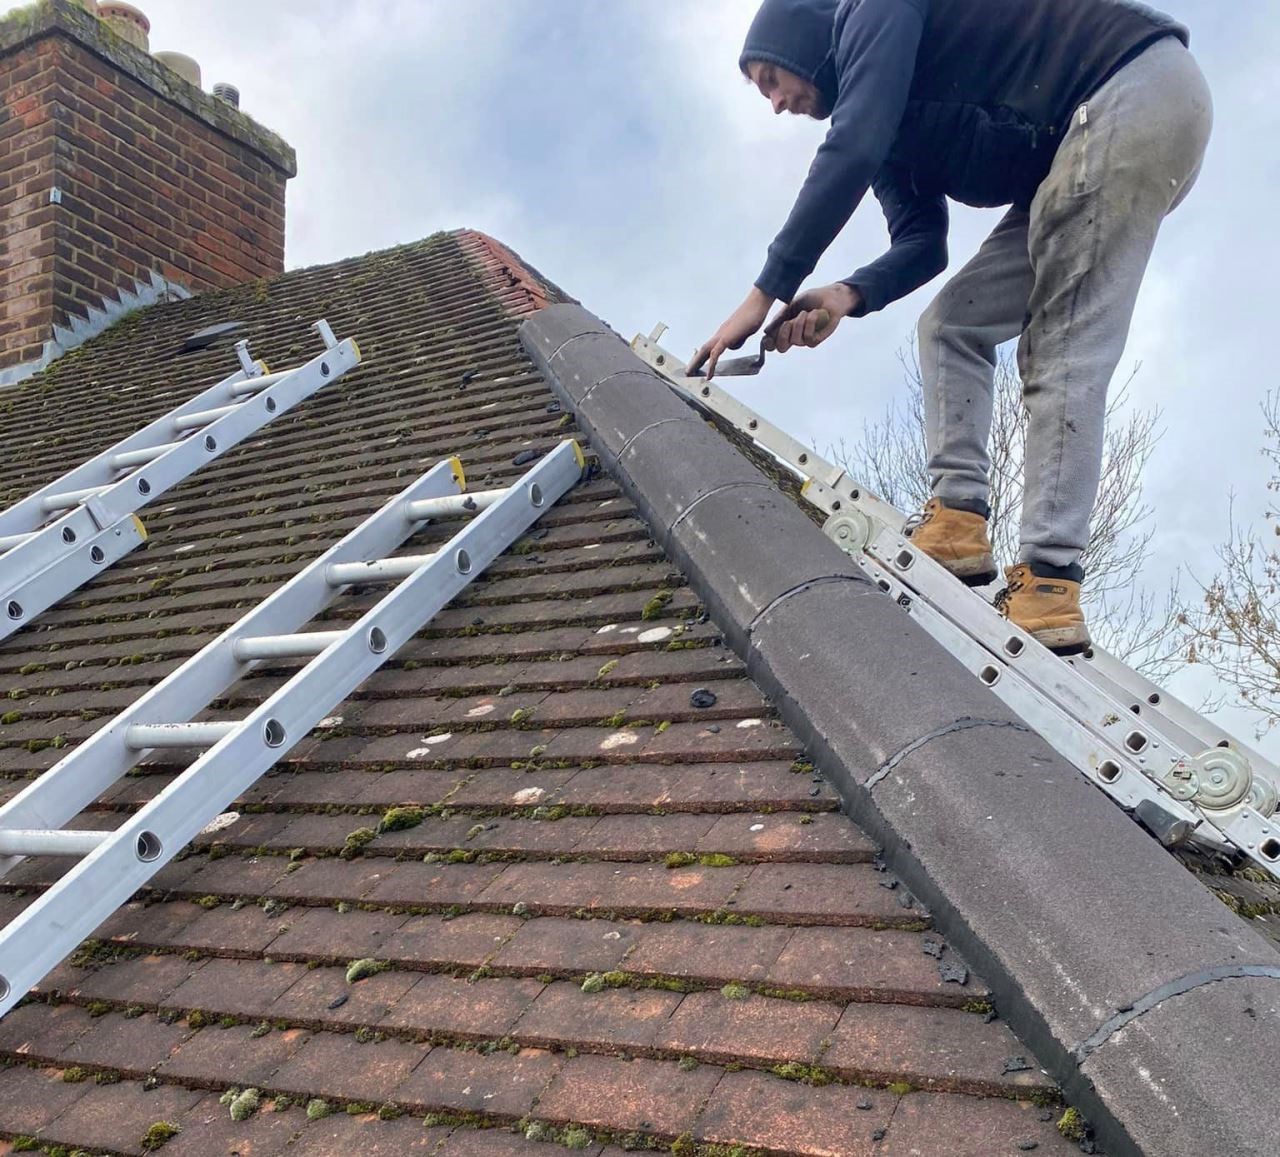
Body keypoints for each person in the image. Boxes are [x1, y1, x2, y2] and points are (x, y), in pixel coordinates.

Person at [689, 0, 1211, 655]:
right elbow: (921, 245)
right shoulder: (891, 138)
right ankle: (959, 521)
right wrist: (844, 296)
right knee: (950, 325)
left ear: (799, 40)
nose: (773, 104)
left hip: (1126, 89)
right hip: (1074, 149)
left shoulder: (871, 12)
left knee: (1063, 343)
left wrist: (766, 291)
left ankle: (1050, 581)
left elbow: (850, 145)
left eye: (769, 80)